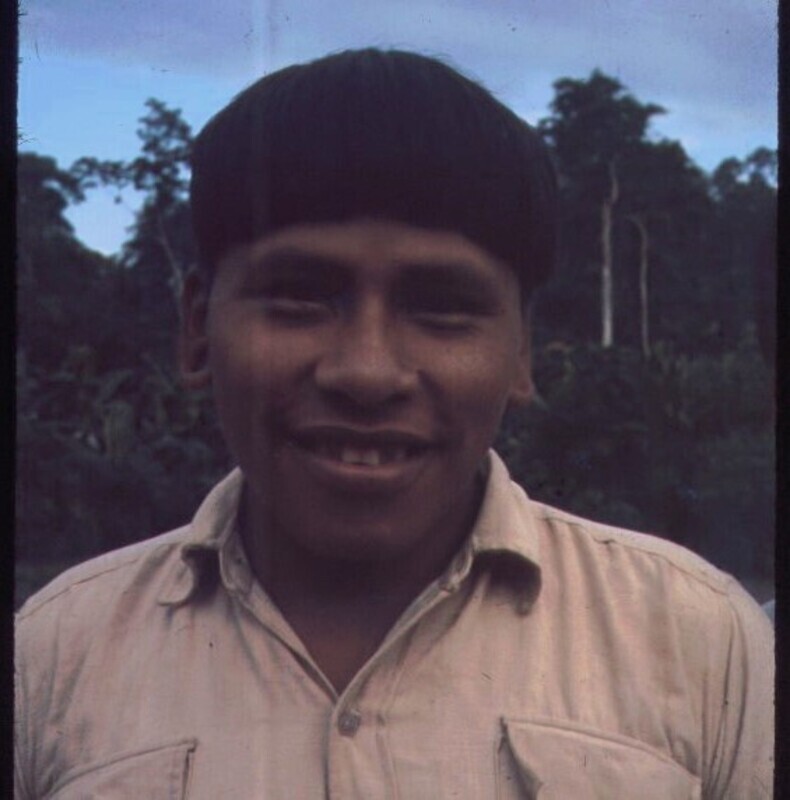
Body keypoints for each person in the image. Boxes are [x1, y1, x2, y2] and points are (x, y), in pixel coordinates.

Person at [15, 49, 773, 799]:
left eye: (442, 309)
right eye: (299, 298)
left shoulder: (702, 641)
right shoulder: (50, 659)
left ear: (522, 351)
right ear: (196, 327)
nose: (368, 373)